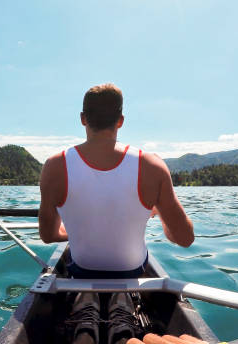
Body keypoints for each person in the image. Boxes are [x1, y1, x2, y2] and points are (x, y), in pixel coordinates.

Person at [38, 83, 195, 344]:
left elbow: (47, 235)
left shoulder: (55, 166)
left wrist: (76, 229)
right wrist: (159, 212)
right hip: (133, 273)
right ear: (120, 121)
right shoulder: (152, 166)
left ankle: (85, 307)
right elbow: (185, 238)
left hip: (81, 271)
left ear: (83, 119)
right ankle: (123, 310)